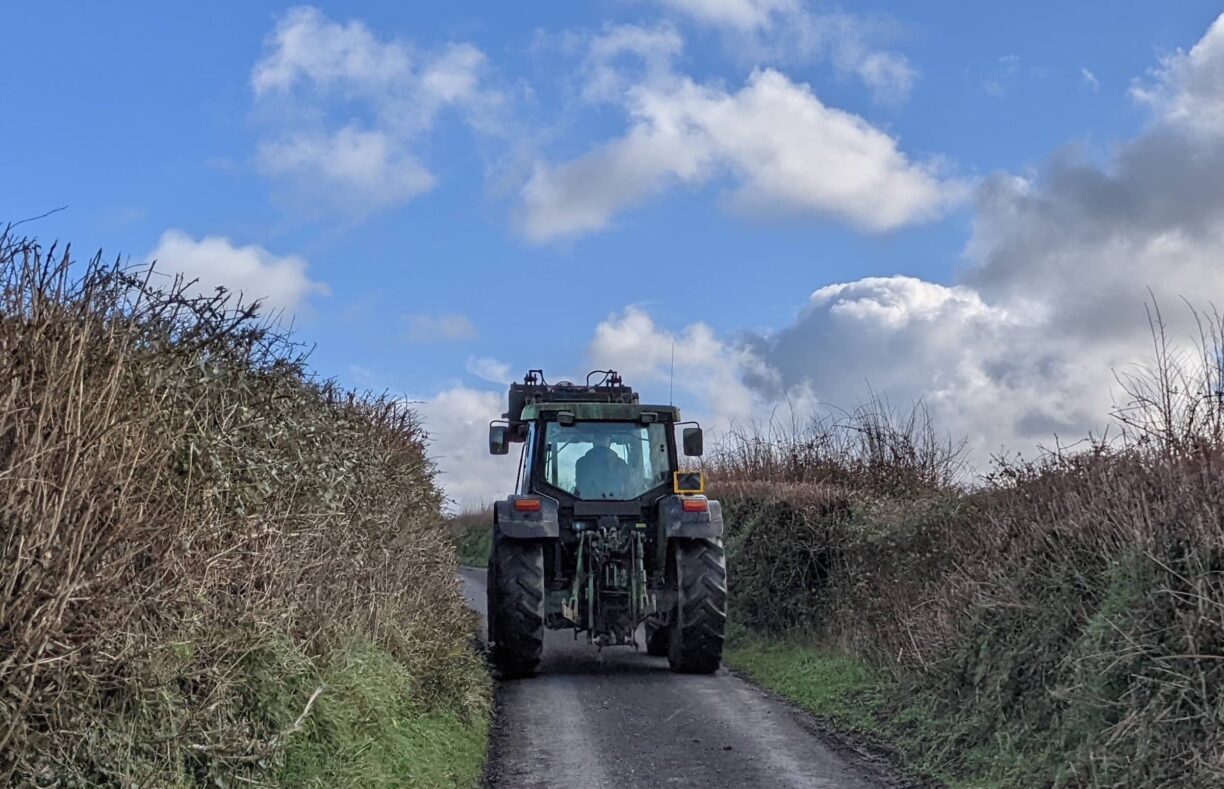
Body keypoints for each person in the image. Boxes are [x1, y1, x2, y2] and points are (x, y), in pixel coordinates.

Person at [575, 431, 630, 499]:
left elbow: (580, 487)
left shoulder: (581, 463)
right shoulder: (621, 464)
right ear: (609, 441)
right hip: (621, 506)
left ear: (594, 441)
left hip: (583, 507)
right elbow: (627, 488)